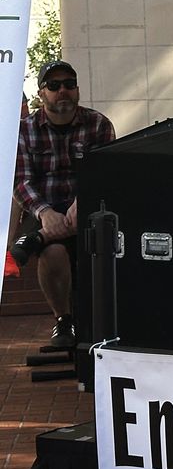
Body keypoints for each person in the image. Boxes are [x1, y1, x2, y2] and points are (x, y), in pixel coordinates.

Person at [11, 60, 116, 348]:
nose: (63, 91)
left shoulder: (99, 124)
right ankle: (63, 320)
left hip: (90, 206)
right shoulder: (23, 130)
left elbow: (107, 172)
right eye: (54, 86)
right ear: (41, 93)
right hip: (42, 208)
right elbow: (21, 181)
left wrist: (84, 202)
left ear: (77, 89)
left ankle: (105, 323)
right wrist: (45, 214)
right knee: (53, 252)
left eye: (69, 84)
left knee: (105, 242)